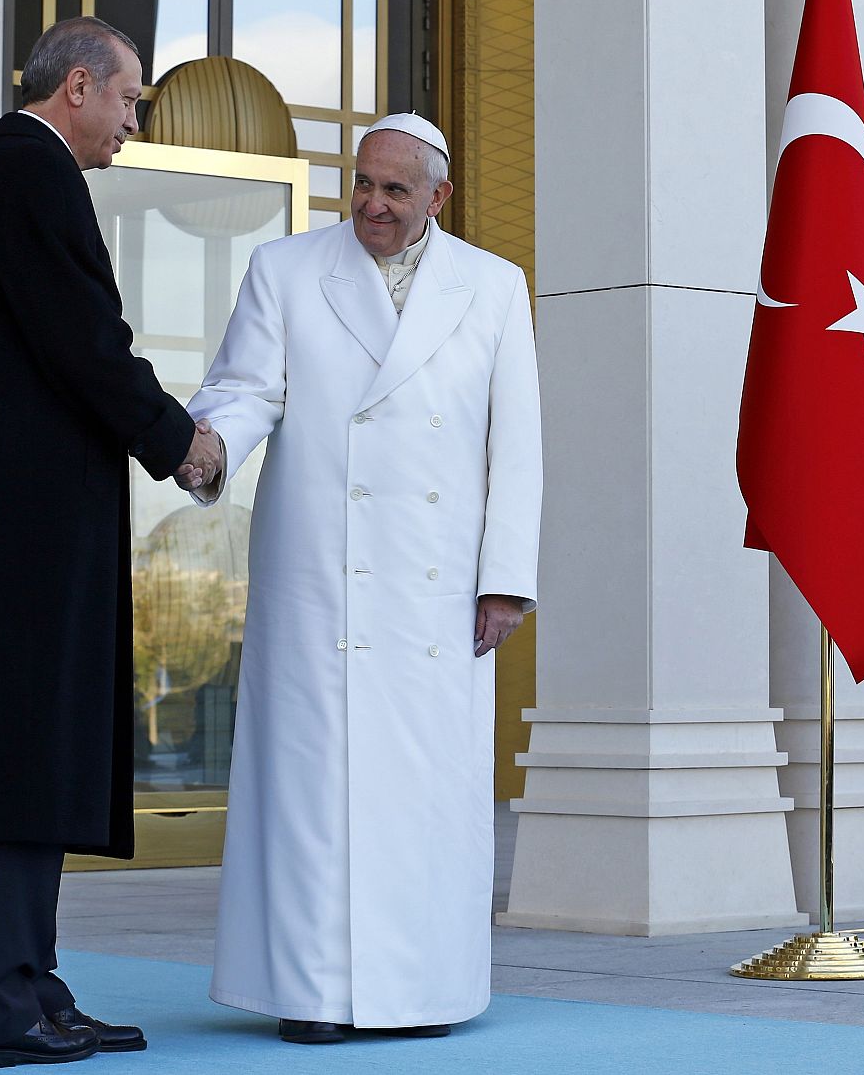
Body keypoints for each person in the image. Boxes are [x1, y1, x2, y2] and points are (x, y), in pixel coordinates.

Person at [0, 17, 220, 1068]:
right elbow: (86, 341)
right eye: (130, 99)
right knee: (18, 766)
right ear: (78, 87)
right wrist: (180, 443)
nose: (133, 123)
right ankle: (1, 1008)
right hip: (15, 541)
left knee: (26, 763)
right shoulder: (31, 175)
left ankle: (31, 987)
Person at [184, 112, 541, 1044]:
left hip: (436, 589)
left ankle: (421, 992)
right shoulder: (285, 269)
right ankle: (313, 993)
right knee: (313, 791)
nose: (372, 204)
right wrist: (209, 446)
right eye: (363, 183)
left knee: (425, 793)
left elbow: (517, 444)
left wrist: (505, 579)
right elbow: (247, 388)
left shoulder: (495, 286)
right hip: (319, 578)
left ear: (439, 196)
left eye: (395, 189)